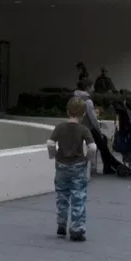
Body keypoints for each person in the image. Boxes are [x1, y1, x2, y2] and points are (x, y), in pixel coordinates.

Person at [46, 96, 96, 242]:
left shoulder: (60, 127)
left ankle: (61, 224)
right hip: (78, 167)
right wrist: (88, 158)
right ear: (84, 114)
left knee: (62, 195)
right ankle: (76, 229)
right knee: (78, 196)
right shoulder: (83, 130)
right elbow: (92, 147)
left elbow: (50, 143)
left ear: (67, 111)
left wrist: (53, 155)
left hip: (61, 166)